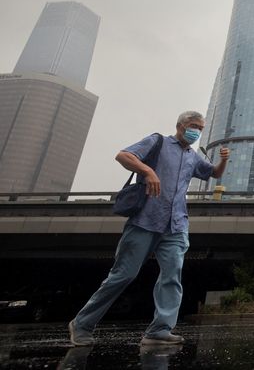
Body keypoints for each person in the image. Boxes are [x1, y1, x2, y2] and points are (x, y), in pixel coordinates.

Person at [68, 111, 229, 346]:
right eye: (193, 126)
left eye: (201, 128)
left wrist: (223, 160)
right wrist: (148, 170)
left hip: (176, 225)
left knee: (172, 275)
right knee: (123, 274)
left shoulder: (192, 156)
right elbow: (123, 156)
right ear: (180, 125)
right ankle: (82, 324)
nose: (197, 131)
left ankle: (159, 330)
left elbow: (212, 173)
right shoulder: (158, 142)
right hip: (145, 220)